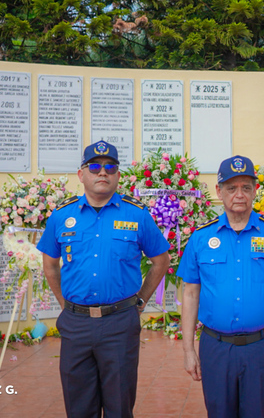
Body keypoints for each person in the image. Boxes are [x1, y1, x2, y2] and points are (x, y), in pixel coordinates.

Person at [38, 140, 171, 418]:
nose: (102, 172)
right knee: (78, 407)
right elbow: (50, 264)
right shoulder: (62, 216)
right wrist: (65, 303)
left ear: (118, 175)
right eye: (95, 166)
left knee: (119, 406)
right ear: (81, 174)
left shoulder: (137, 215)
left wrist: (141, 300)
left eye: (110, 167)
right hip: (76, 325)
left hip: (119, 324)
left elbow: (161, 260)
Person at [177, 155, 264, 418]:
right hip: (215, 348)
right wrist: (188, 350)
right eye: (231, 188)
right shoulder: (201, 237)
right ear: (219, 191)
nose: (239, 195)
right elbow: (190, 295)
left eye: (246, 187)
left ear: (255, 191)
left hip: (261, 348)